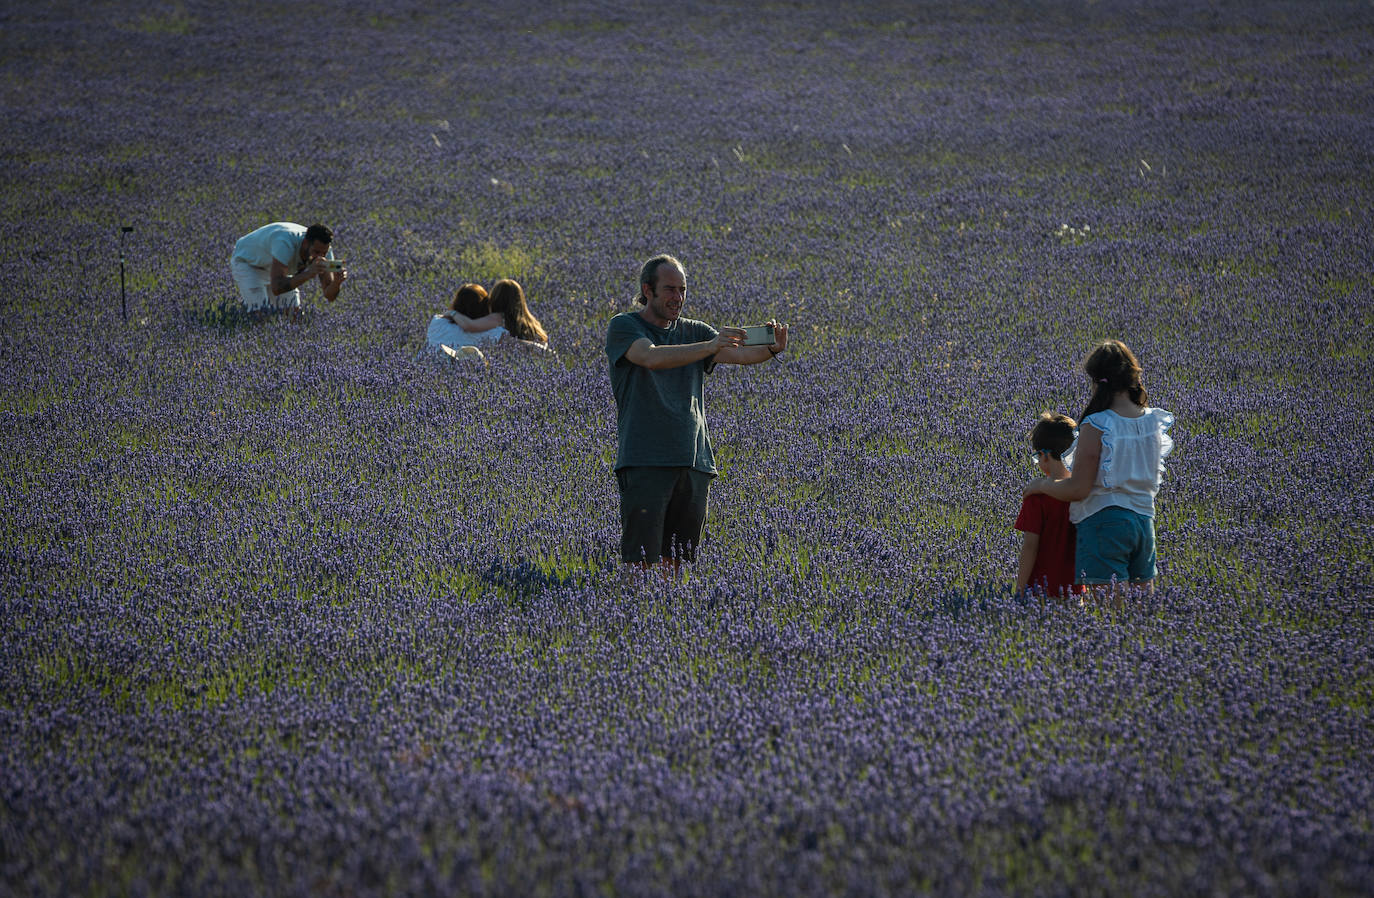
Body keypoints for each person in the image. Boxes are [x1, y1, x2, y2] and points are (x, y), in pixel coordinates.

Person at [605, 253, 788, 569]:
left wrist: (772, 348)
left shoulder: (697, 332)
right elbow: (650, 357)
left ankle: (668, 613)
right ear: (648, 290)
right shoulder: (624, 326)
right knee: (640, 559)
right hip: (646, 458)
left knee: (676, 559)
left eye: (683, 290)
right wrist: (710, 346)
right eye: (670, 289)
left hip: (694, 462)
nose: (678, 298)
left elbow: (742, 356)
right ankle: (636, 614)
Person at [1023, 340, 1174, 604]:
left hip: (1106, 526)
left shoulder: (1097, 424)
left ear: (1097, 381)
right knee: (1142, 614)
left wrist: (1041, 486)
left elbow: (1079, 489)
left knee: (1110, 614)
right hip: (1144, 524)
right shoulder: (1151, 421)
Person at [1014, 412, 1083, 601]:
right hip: (1074, 590)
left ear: (1044, 456)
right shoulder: (1082, 495)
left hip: (1039, 590)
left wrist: (1020, 589)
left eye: (1037, 456)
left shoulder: (1036, 497)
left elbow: (1029, 547)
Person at [229, 222, 346, 314]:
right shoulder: (285, 242)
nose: (320, 257)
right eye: (316, 252)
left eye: (324, 253)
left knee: (294, 315)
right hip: (249, 263)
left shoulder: (324, 250)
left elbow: (329, 296)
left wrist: (336, 282)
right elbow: (277, 288)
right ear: (305, 243)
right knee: (260, 314)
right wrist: (308, 274)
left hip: (276, 268)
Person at [445, 278, 550, 351]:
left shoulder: (497, 318)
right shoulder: (532, 323)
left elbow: (470, 326)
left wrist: (453, 313)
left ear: (495, 298)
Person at [423, 283, 505, 356]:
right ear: (484, 306)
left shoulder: (437, 322)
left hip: (425, 367)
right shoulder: (494, 333)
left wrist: (452, 313)